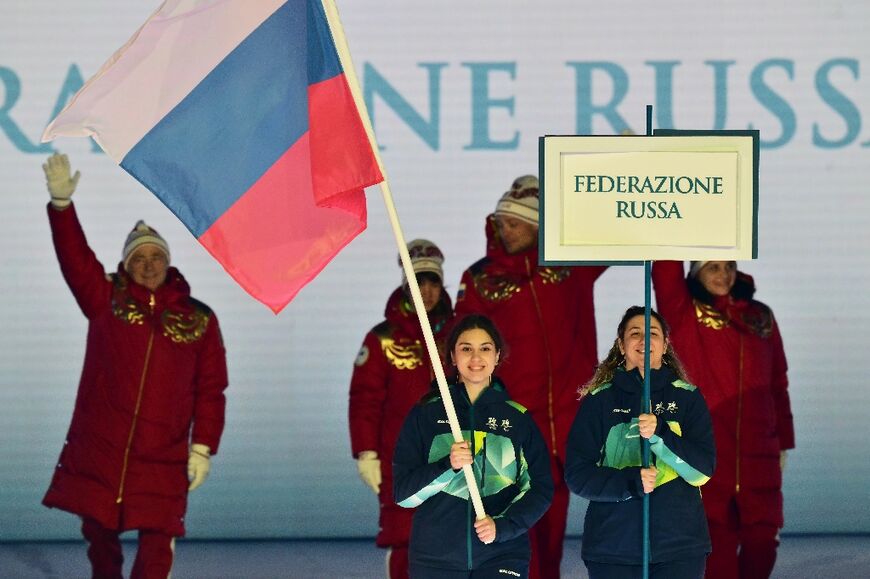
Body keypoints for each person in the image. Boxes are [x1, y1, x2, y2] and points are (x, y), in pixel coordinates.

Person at [40, 153, 228, 578]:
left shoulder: (198, 318)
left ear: (168, 263)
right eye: (138, 259)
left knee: (159, 540)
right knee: (99, 534)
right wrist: (62, 208)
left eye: (155, 257)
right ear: (125, 265)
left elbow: (211, 389)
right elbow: (75, 259)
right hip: (102, 445)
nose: (148, 266)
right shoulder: (106, 300)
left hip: (163, 452)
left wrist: (203, 447)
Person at [454, 174, 606, 579]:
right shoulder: (480, 279)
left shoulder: (570, 267)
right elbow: (462, 346)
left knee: (553, 524)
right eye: (501, 222)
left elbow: (613, 228)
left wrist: (627, 173)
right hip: (511, 423)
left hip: (567, 424)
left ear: (539, 227)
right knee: (514, 518)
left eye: (515, 223)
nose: (506, 230)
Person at [652, 261, 794, 579]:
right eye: (712, 267)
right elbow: (664, 271)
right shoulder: (683, 314)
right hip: (708, 453)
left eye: (728, 265)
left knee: (763, 543)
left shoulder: (760, 317)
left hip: (760, 453)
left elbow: (778, 382)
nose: (723, 274)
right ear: (694, 273)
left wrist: (784, 440)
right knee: (717, 547)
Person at [393, 314, 554, 578]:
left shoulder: (517, 419)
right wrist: (448, 465)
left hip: (502, 554)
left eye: (485, 349)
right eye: (466, 349)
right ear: (453, 357)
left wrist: (502, 527)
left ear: (497, 356)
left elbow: (541, 490)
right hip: (435, 558)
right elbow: (404, 495)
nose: (476, 358)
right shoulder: (426, 415)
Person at [565, 306, 715, 579]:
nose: (644, 340)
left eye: (653, 333)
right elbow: (577, 475)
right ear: (622, 345)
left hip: (679, 549)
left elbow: (702, 471)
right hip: (612, 549)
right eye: (635, 333)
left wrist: (661, 435)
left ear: (665, 344)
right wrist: (630, 482)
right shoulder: (600, 401)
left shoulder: (688, 398)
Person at [348, 239, 454, 579]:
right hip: (401, 461)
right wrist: (366, 452)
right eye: (418, 282)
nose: (426, 291)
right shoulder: (382, 339)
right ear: (405, 286)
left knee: (452, 541)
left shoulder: (460, 334)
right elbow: (364, 399)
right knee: (405, 539)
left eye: (432, 282)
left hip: (454, 457)